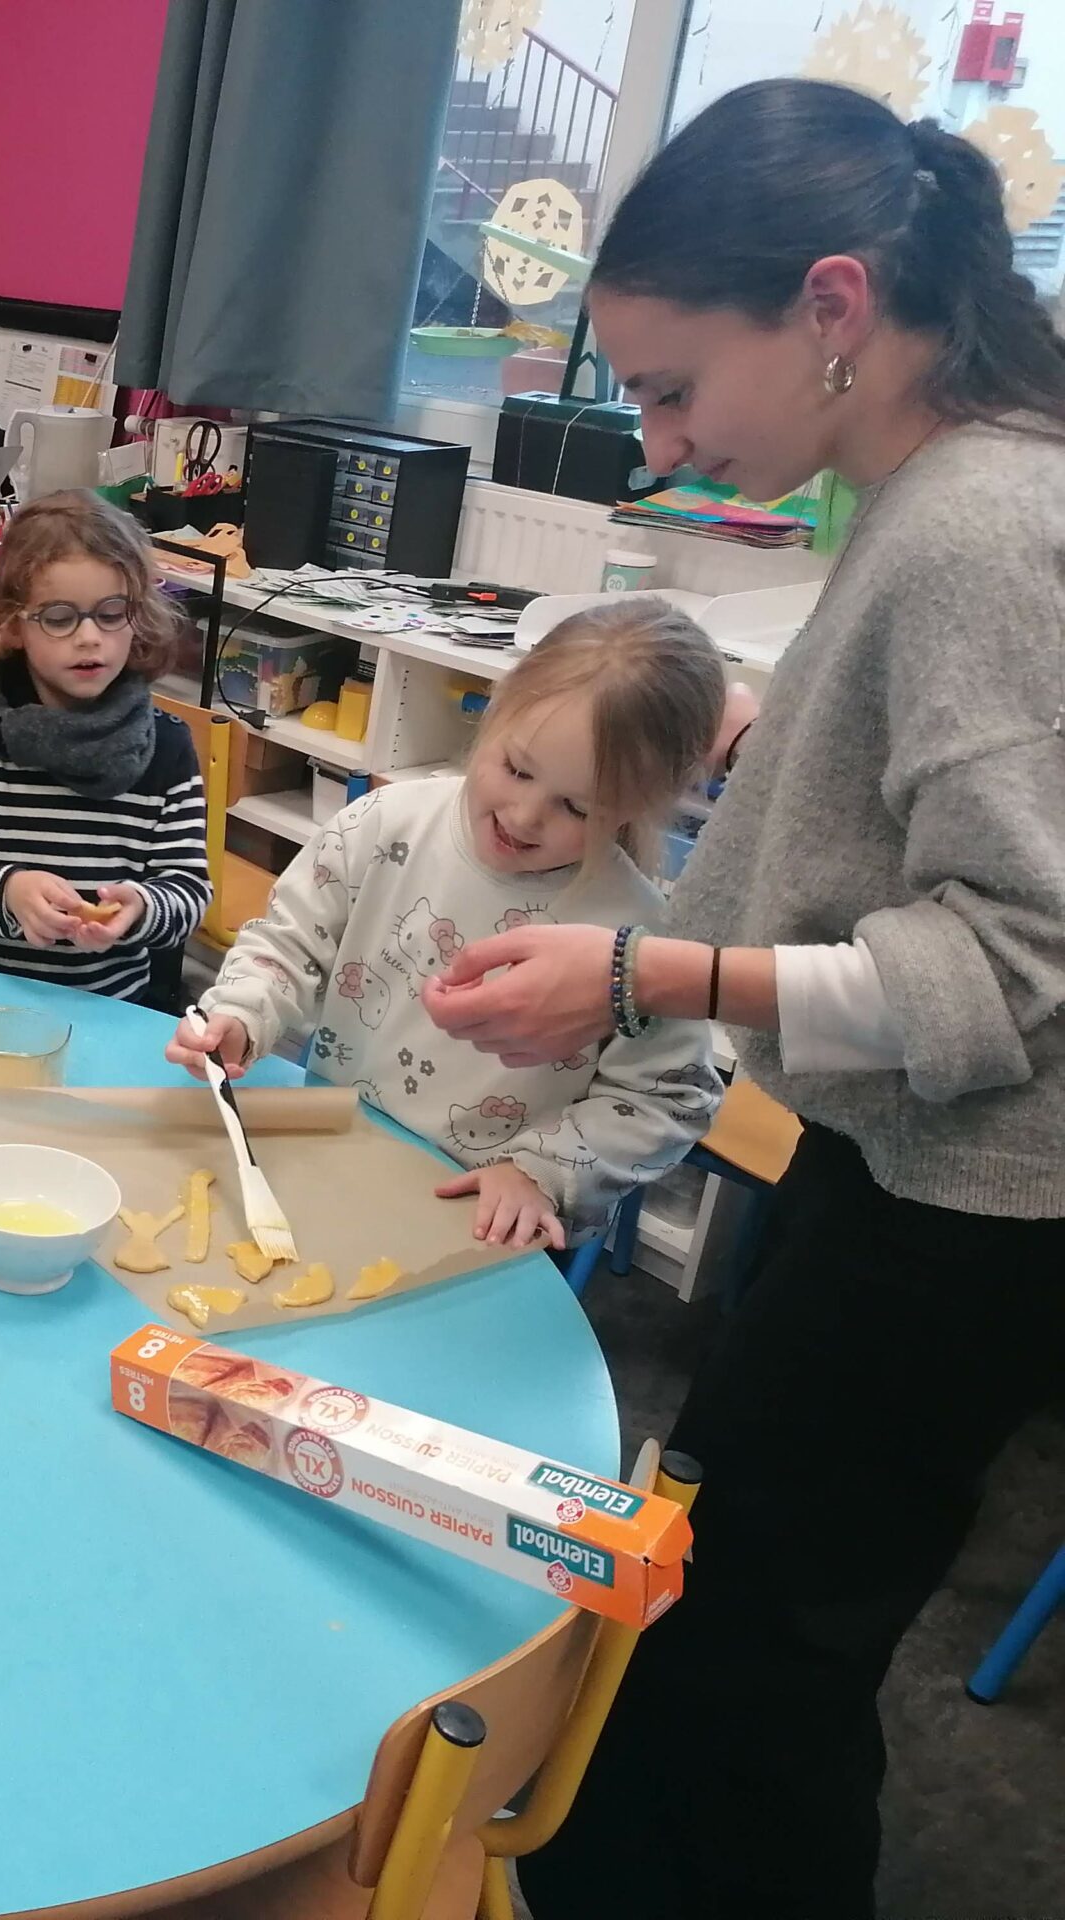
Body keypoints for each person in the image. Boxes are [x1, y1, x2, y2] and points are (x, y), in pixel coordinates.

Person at [412, 80, 1065, 1918]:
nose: (661, 435)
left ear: (834, 307)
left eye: (676, 386)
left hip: (963, 1210)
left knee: (760, 1648)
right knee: (724, 1589)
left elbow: (1014, 958)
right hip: (900, 1175)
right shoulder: (942, 485)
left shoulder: (978, 524)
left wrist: (641, 968)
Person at [173, 604, 727, 1247]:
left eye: (577, 807)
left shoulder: (639, 940)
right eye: (516, 769)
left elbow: (669, 1098)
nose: (524, 815)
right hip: (330, 1168)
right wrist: (242, 1014)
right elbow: (289, 944)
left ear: (640, 805)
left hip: (476, 1225)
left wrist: (541, 1171)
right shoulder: (382, 825)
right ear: (493, 714)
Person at [0, 492, 211, 1009]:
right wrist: (7, 893)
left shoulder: (167, 749)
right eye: (58, 617)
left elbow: (187, 890)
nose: (89, 637)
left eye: (112, 613)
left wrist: (141, 908)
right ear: (13, 625)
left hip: (105, 1011)